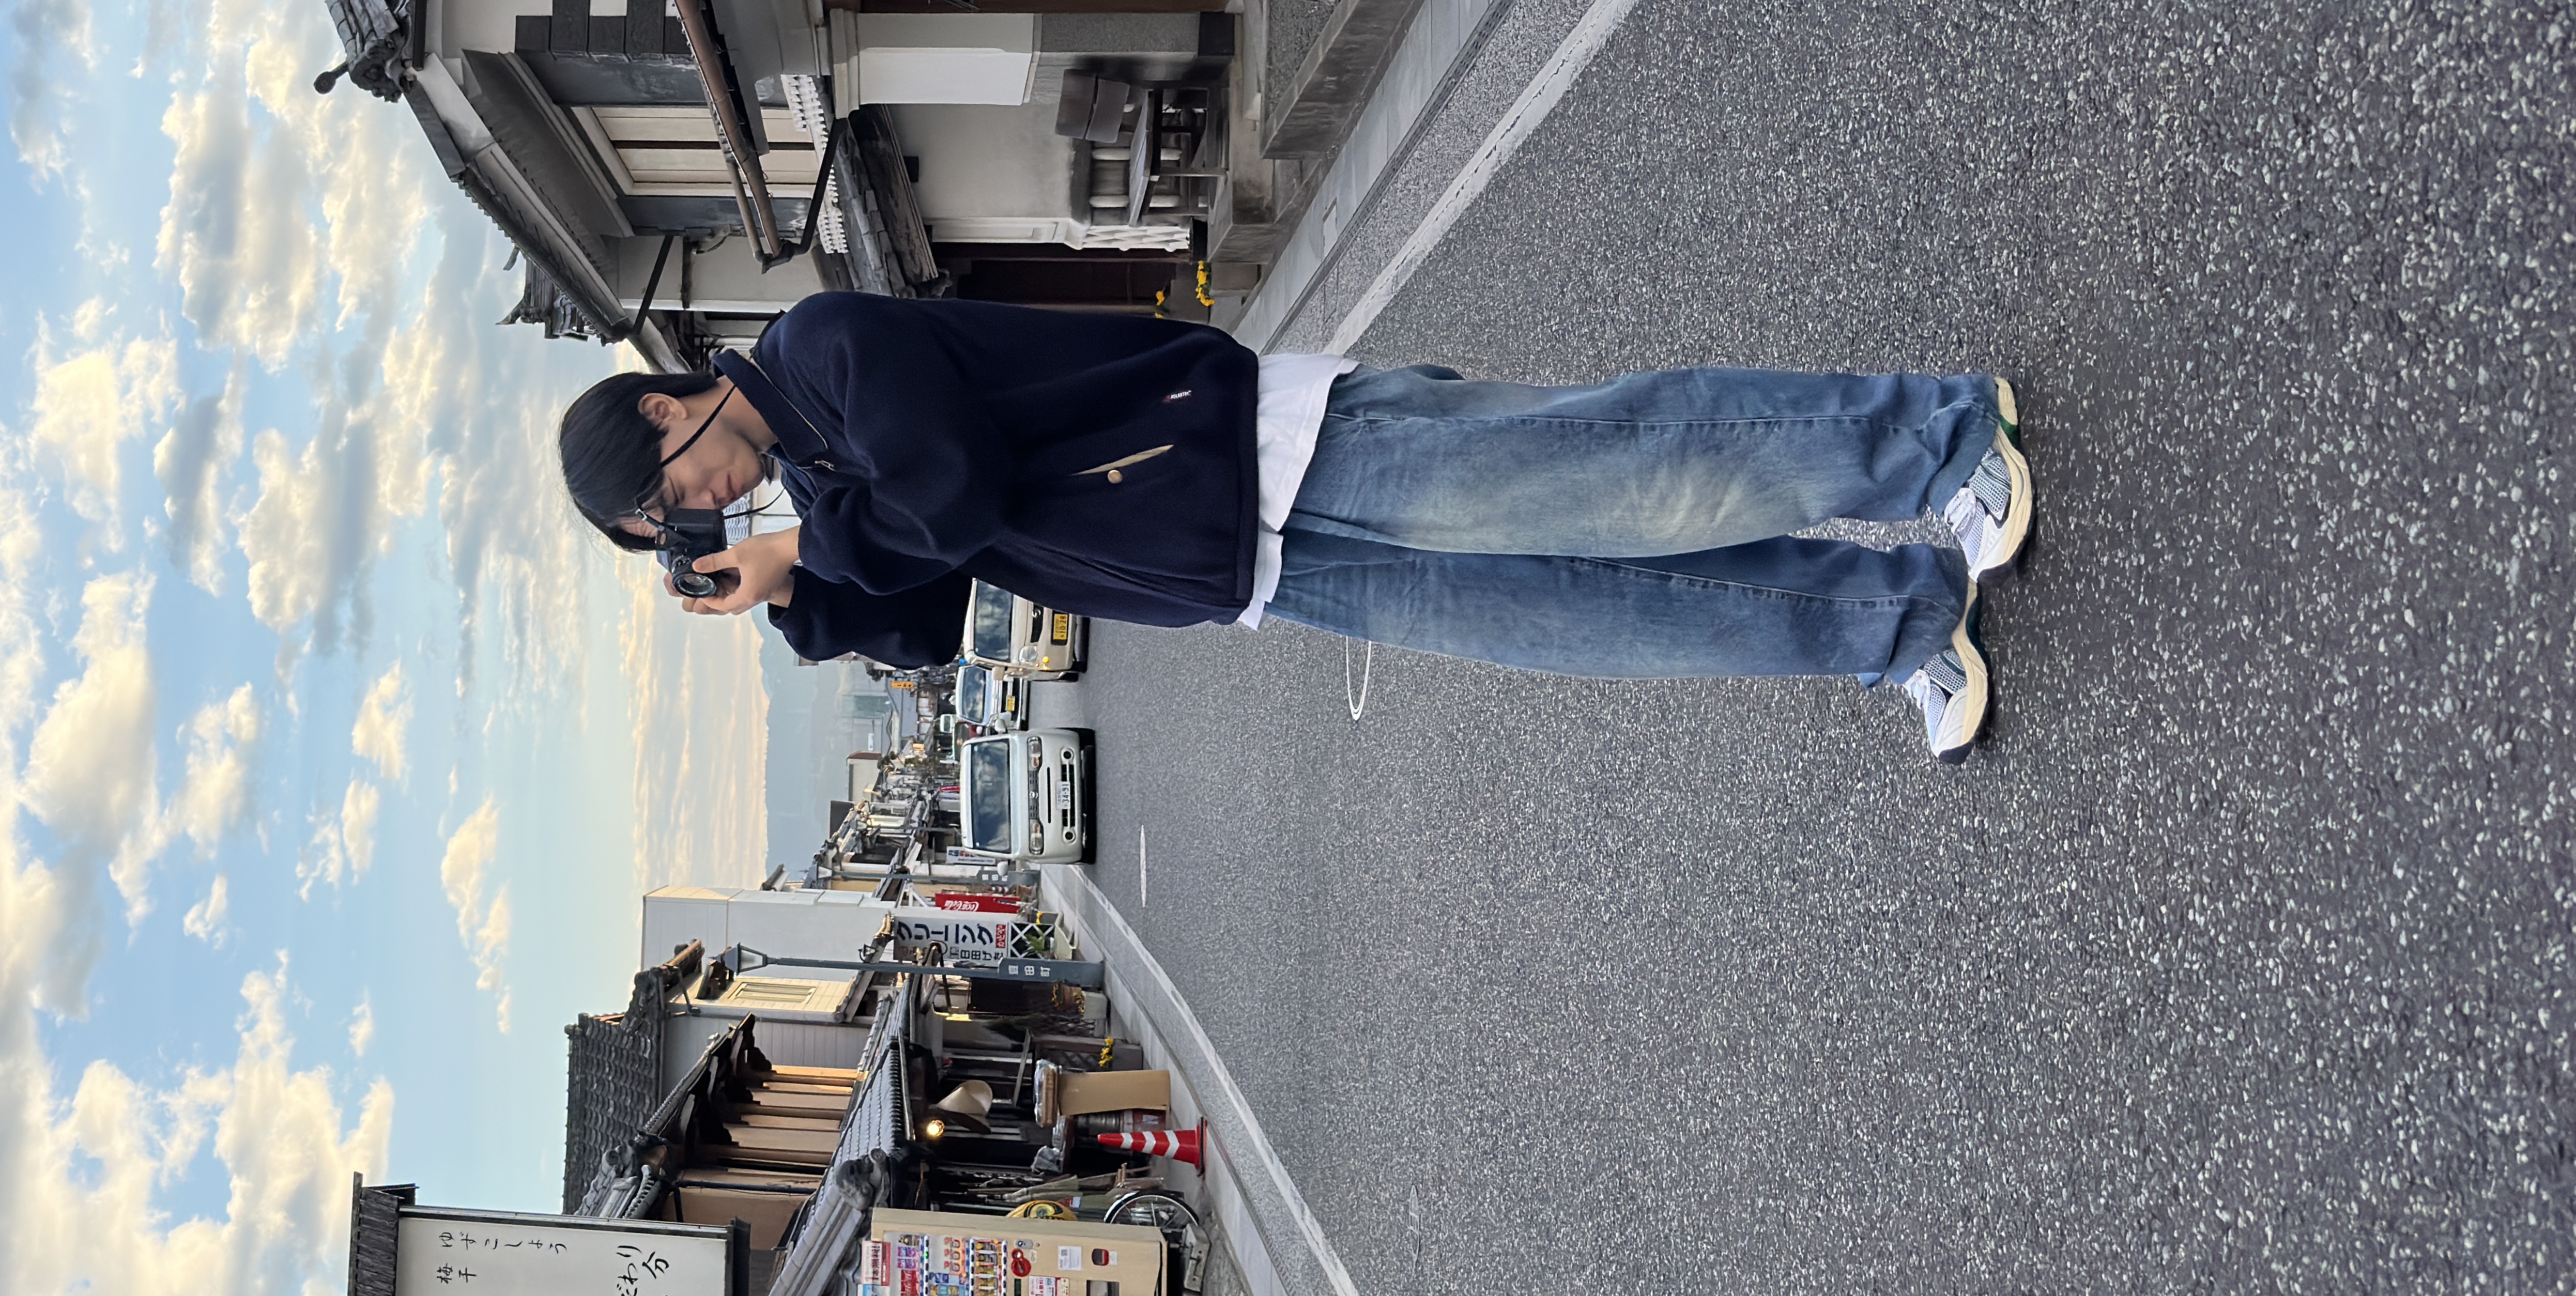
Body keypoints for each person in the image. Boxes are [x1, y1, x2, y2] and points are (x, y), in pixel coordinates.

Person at [558, 295, 2035, 760]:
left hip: (1269, 452)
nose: (706, 506)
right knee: (1596, 613)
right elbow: (937, 608)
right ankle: (1894, 621)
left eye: (675, 487)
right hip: (1251, 569)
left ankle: (1940, 440)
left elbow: (955, 493)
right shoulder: (819, 487)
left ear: (669, 403)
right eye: (678, 526)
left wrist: (809, 551)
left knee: (1611, 473)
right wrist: (791, 592)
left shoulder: (821, 352)